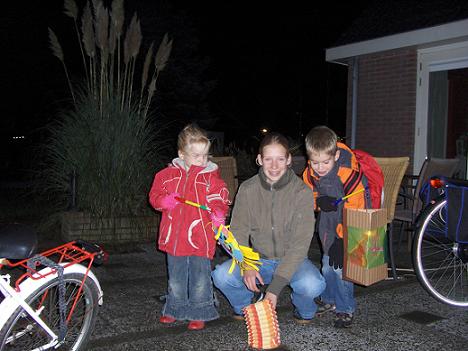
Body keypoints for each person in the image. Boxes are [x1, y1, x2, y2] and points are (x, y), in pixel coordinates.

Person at [212, 132, 325, 324]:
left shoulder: (302, 192)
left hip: (292, 259)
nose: (274, 166)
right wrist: (246, 265)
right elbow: (238, 232)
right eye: (268, 159)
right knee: (221, 276)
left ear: (289, 159)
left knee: (312, 284)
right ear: (259, 159)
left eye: (280, 159)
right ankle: (245, 305)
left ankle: (302, 307)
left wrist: (274, 290)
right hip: (258, 260)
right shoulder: (248, 189)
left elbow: (300, 243)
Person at [149, 124, 230, 331]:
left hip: (200, 237)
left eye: (205, 155)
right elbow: (154, 196)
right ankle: (175, 308)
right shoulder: (166, 175)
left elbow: (220, 197)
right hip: (174, 238)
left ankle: (200, 310)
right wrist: (164, 201)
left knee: (200, 276)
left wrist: (218, 212)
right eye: (196, 156)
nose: (202, 160)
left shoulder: (211, 176)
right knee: (176, 276)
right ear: (181, 154)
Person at [302, 125, 368, 328]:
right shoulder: (310, 173)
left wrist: (343, 240)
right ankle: (329, 300)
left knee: (341, 270)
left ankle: (345, 308)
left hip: (350, 227)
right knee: (327, 266)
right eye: (315, 162)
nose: (320, 167)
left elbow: (357, 209)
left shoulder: (349, 175)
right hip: (327, 227)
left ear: (336, 155)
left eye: (325, 162)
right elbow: (307, 195)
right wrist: (317, 202)